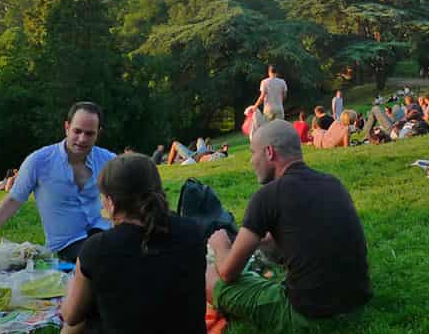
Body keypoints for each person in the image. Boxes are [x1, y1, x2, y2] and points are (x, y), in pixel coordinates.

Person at [207, 120, 371, 332]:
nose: (251, 161)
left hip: (309, 316)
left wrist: (220, 245)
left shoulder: (267, 196)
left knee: (208, 276)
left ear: (269, 153)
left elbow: (228, 272)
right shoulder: (333, 182)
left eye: (252, 153)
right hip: (357, 302)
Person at [0, 101, 114, 262]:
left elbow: (131, 194)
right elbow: (13, 200)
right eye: (77, 131)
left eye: (89, 133)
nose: (82, 138)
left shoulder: (108, 160)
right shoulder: (39, 161)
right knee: (105, 257)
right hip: (68, 244)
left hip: (103, 233)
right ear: (67, 127)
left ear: (98, 133)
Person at [60, 154, 205, 334]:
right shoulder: (193, 230)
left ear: (111, 202)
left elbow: (71, 316)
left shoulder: (97, 249)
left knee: (77, 322)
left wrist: (71, 286)